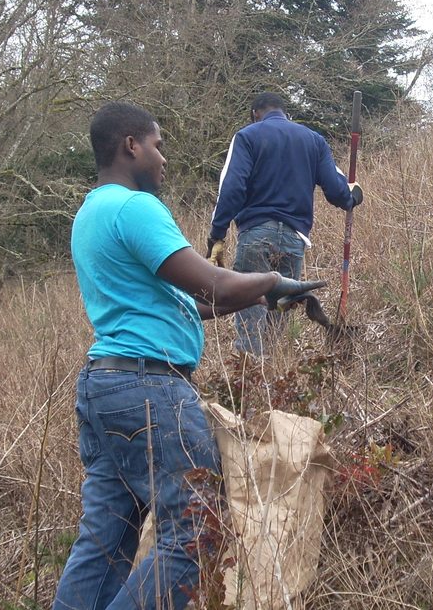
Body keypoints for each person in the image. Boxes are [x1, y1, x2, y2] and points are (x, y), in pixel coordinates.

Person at [54, 101, 324, 610]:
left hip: (104, 389)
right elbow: (216, 283)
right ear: (130, 145)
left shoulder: (89, 214)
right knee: (197, 530)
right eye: (156, 146)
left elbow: (187, 301)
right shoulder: (135, 208)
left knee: (104, 545)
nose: (162, 159)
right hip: (149, 389)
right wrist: (272, 279)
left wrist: (260, 295)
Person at [206, 91, 363, 356]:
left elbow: (232, 187)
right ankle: (276, 382)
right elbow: (338, 191)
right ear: (285, 112)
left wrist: (217, 236)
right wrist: (353, 196)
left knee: (250, 310)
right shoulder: (314, 140)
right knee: (279, 310)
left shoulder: (247, 136)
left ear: (255, 114)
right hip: (294, 240)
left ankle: (249, 380)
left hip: (256, 235)